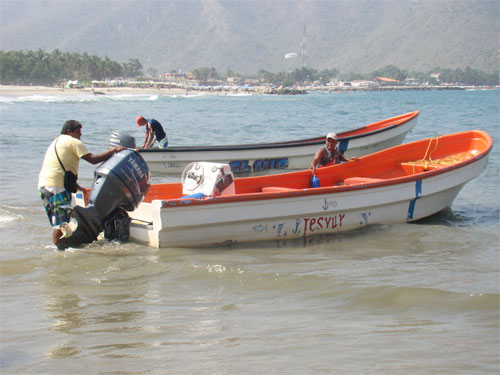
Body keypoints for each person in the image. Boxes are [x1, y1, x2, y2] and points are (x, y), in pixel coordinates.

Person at [38, 120, 126, 248]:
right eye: (78, 132)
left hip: (44, 185)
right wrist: (114, 150)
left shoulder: (56, 141)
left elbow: (59, 166)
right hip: (57, 186)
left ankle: (62, 246)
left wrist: (76, 186)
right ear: (69, 131)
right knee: (61, 221)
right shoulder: (73, 141)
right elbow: (93, 159)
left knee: (56, 219)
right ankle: (59, 247)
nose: (80, 135)